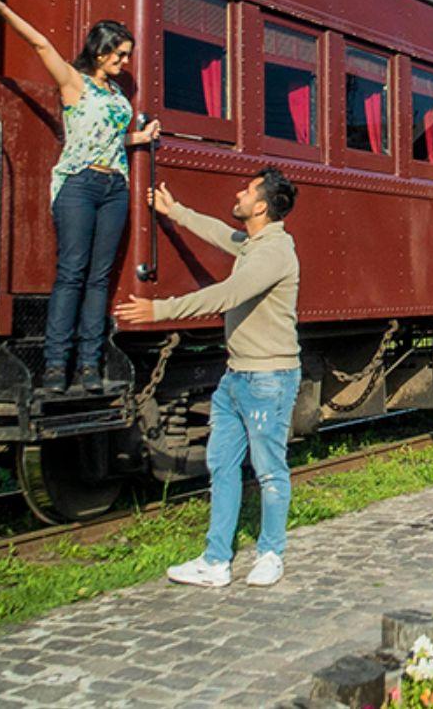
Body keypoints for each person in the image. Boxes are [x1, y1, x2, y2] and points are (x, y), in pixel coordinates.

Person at [0, 0, 159, 393]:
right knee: (72, 273)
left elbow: (108, 138)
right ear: (101, 51)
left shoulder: (116, 94)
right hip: (79, 184)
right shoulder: (74, 82)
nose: (125, 63)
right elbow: (40, 44)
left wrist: (138, 138)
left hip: (114, 186)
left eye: (127, 55)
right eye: (119, 55)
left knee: (99, 277)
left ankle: (89, 364)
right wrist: (1, 9)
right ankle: (56, 365)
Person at [116, 169, 300, 588]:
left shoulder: (274, 253)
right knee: (222, 466)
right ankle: (216, 561)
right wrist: (175, 211)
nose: (238, 193)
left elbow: (226, 295)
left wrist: (158, 311)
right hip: (236, 377)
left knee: (270, 470)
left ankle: (271, 553)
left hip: (269, 377)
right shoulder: (253, 243)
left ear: (260, 207)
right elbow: (220, 233)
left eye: (248, 190)